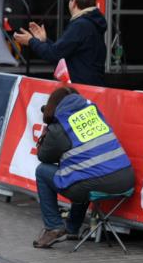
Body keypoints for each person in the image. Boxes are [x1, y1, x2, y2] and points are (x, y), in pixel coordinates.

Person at [33, 86, 135, 249]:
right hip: (125, 180)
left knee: (43, 171)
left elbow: (44, 157)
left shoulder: (60, 128)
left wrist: (47, 133)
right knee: (81, 172)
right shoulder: (95, 114)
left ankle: (53, 227)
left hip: (94, 183)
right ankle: (72, 228)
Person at [13, 0, 108, 86]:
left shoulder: (80, 25)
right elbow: (62, 52)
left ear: (73, 2)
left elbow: (54, 54)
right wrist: (44, 41)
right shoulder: (91, 24)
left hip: (82, 89)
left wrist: (31, 41)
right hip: (92, 87)